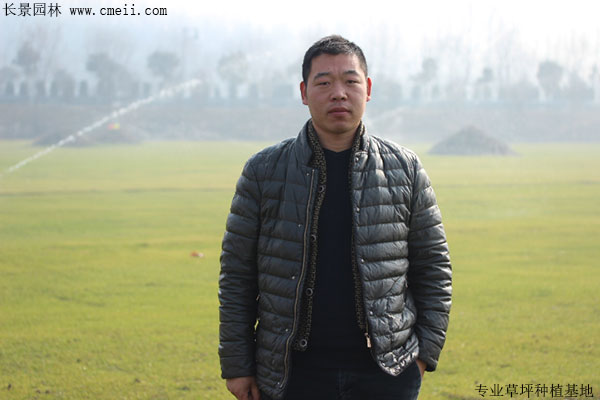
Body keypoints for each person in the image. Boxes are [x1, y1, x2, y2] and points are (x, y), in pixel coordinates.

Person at [218, 35, 452, 400]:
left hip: (387, 373)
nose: (339, 94)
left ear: (368, 89)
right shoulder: (264, 171)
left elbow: (433, 267)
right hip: (290, 374)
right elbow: (237, 274)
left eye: (350, 81)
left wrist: (422, 357)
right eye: (324, 83)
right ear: (304, 92)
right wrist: (238, 366)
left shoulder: (404, 168)